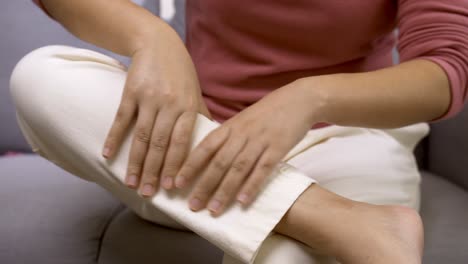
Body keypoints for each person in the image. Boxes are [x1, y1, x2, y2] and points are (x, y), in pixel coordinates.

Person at [10, 0, 468, 263]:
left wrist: (309, 98)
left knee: (288, 260)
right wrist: (151, 37)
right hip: (193, 148)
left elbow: (447, 68)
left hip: (347, 141)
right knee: (40, 76)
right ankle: (334, 217)